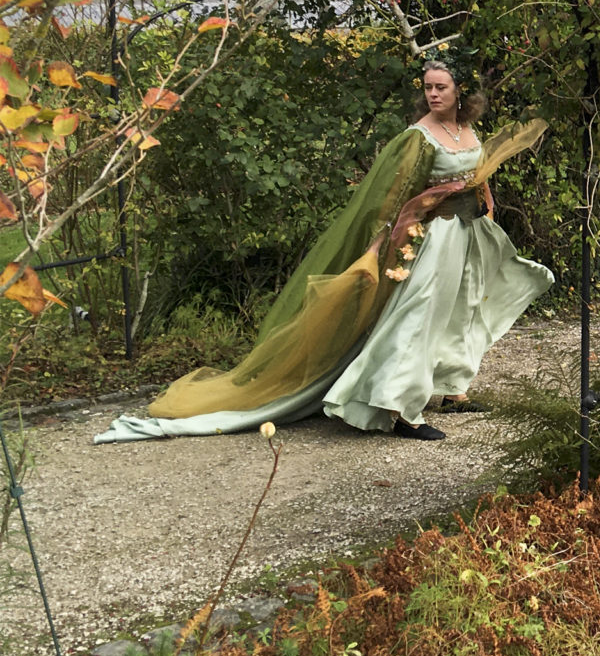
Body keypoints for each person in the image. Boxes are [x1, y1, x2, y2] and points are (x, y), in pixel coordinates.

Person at [94, 58, 553, 444]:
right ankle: (400, 409)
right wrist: (383, 243)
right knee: (418, 315)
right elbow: (391, 197)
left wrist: (484, 203)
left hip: (467, 236)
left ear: (461, 93)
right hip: (431, 238)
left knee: (461, 309)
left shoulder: (469, 130)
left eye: (441, 88)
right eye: (428, 88)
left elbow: (478, 174)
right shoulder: (419, 136)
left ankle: (453, 388)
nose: (433, 95)